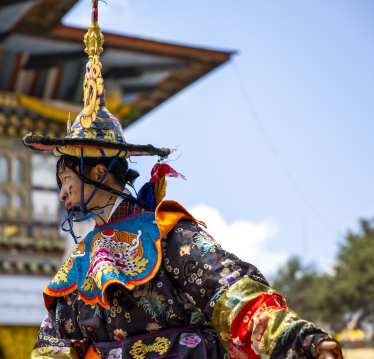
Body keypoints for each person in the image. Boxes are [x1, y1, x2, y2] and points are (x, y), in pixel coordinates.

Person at [23, 3, 343, 358]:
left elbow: (229, 291)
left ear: (98, 173)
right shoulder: (77, 264)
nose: (63, 192)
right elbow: (55, 343)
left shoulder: (166, 233)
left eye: (68, 179)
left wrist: (302, 340)